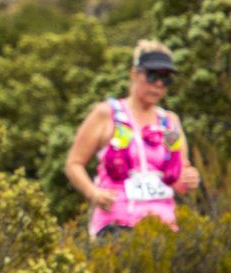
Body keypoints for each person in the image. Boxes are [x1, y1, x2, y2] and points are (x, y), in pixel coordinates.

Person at [65, 41, 201, 238]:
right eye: (152, 75)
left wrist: (189, 178)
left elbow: (178, 175)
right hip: (115, 224)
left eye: (166, 79)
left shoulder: (169, 124)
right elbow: (74, 163)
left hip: (162, 228)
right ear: (135, 73)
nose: (158, 85)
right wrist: (93, 193)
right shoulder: (107, 114)